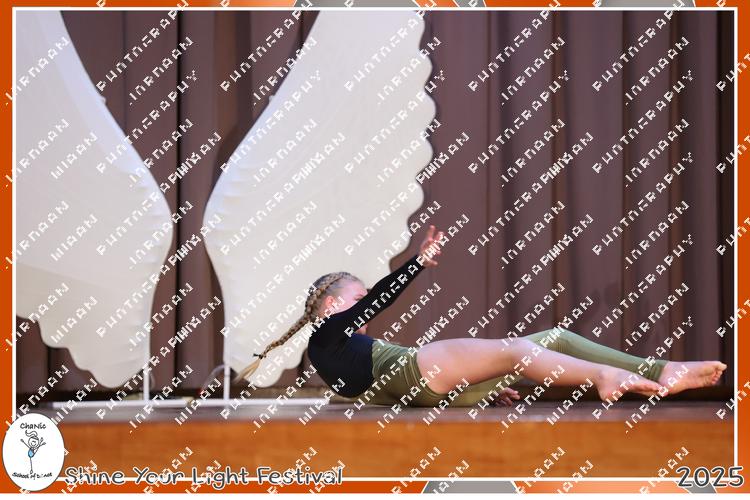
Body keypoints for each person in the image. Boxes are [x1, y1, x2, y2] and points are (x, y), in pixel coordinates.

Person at [234, 225, 726, 408]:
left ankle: (660, 370)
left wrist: (479, 386)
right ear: (332, 305)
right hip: (418, 369)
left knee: (550, 339)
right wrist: (417, 264)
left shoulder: (331, 356)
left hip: (431, 391)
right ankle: (603, 375)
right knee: (517, 349)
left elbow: (384, 395)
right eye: (355, 297)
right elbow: (376, 303)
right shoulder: (325, 334)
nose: (364, 306)